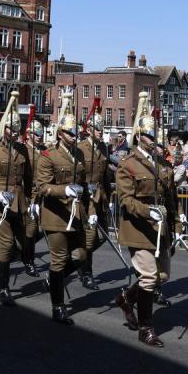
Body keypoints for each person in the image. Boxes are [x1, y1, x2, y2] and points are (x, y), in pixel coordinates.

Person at [114, 111, 183, 347]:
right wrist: (147, 211)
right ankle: (146, 328)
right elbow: (126, 199)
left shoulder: (162, 163)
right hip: (138, 227)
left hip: (160, 227)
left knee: (163, 275)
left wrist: (177, 224)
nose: (155, 139)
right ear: (140, 136)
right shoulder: (128, 164)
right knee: (148, 277)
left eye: (156, 134)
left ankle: (126, 298)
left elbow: (171, 197)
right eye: (150, 135)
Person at [36, 100, 87, 325]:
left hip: (75, 215)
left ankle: (53, 279)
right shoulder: (48, 156)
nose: (73, 136)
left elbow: (83, 180)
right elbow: (43, 186)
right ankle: (58, 306)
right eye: (69, 132)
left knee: (81, 256)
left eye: (75, 132)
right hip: (56, 215)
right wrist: (64, 189)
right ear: (60, 133)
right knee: (58, 260)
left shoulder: (79, 154)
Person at [0, 94, 32, 305]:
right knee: (7, 245)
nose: (15, 134)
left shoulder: (22, 150)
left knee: (22, 245)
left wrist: (33, 200)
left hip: (18, 203)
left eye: (17, 130)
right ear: (4, 130)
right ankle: (3, 287)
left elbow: (27, 178)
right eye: (11, 130)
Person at [77, 113, 110, 291]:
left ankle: (79, 256)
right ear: (89, 130)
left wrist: (109, 198)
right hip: (86, 198)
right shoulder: (81, 147)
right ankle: (86, 273)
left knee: (103, 235)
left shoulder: (104, 148)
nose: (101, 132)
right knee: (89, 238)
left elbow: (105, 176)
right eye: (98, 129)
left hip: (100, 197)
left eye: (102, 129)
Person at [23, 119, 47, 277]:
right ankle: (29, 261)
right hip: (30, 194)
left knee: (44, 228)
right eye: (36, 134)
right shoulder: (24, 150)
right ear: (29, 134)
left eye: (40, 134)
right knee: (30, 230)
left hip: (43, 195)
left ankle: (22, 250)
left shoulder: (44, 150)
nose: (39, 136)